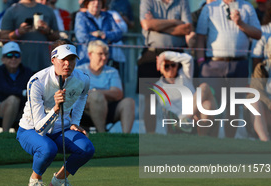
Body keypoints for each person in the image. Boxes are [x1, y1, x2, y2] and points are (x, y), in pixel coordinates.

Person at [16, 39, 94, 186]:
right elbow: (39, 128)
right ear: (53, 60)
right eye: (63, 59)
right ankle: (35, 181)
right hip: (30, 130)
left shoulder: (83, 79)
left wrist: (74, 121)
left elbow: (82, 96)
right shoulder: (37, 81)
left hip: (61, 129)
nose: (67, 64)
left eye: (71, 59)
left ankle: (59, 180)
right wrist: (56, 109)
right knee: (47, 148)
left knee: (86, 148)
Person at [196, 0, 262, 138]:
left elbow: (257, 34)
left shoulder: (247, 7)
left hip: (239, 64)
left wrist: (240, 24)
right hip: (213, 64)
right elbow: (200, 36)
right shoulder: (209, 8)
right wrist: (201, 62)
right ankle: (206, 143)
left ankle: (228, 143)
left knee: (234, 107)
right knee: (210, 104)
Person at [138, 0, 193, 133]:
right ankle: (150, 136)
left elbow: (187, 28)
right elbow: (146, 24)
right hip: (152, 55)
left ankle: (175, 134)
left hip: (176, 55)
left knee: (178, 96)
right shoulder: (147, 2)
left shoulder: (182, 2)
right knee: (150, 100)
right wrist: (175, 22)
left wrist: (156, 24)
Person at [76, 40, 135, 133]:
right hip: (84, 112)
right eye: (100, 54)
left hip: (108, 110)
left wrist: (94, 91)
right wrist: (97, 95)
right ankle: (102, 134)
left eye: (106, 54)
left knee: (129, 102)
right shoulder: (79, 71)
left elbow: (118, 94)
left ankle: (126, 136)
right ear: (90, 54)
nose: (104, 57)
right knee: (96, 97)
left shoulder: (112, 71)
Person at [155, 51, 218, 136]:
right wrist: (184, 116)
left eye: (173, 65)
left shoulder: (184, 75)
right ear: (160, 68)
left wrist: (165, 56)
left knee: (204, 87)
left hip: (194, 113)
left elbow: (188, 59)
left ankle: (188, 120)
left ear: (177, 65)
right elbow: (169, 106)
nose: (170, 68)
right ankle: (201, 138)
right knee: (207, 105)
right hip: (183, 117)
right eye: (166, 66)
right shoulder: (158, 87)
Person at [0, 0, 60, 73]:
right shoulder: (11, 11)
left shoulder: (47, 10)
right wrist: (18, 32)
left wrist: (48, 31)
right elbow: (3, 38)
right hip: (20, 67)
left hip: (43, 64)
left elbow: (57, 37)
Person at [0, 42, 32, 132]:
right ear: (3, 59)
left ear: (20, 58)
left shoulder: (27, 72)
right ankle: (5, 133)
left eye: (16, 55)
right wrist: (22, 92)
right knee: (13, 99)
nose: (13, 58)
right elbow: (4, 89)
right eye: (9, 55)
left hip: (22, 109)